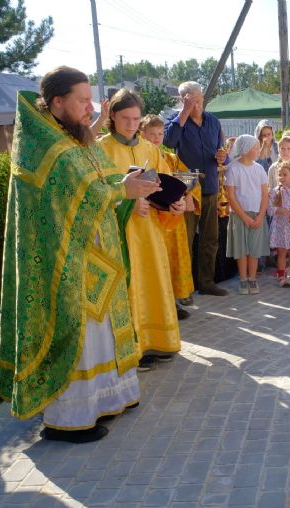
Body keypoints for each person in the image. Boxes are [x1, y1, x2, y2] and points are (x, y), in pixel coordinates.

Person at [0, 66, 160, 443]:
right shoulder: (46, 145)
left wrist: (128, 186)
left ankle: (107, 398)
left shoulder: (74, 138)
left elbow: (96, 185)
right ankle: (68, 420)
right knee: (79, 337)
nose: (91, 108)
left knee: (100, 333)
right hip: (66, 264)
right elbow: (71, 197)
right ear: (57, 102)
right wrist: (123, 192)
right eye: (83, 100)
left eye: (90, 99)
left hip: (97, 254)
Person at [98, 89, 187, 372]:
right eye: (125, 118)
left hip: (150, 230)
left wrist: (175, 202)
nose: (131, 124)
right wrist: (127, 202)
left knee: (152, 280)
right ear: (112, 116)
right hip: (120, 234)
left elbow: (164, 184)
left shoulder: (150, 149)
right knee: (131, 284)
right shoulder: (101, 149)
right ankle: (133, 348)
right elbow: (96, 193)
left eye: (136, 118)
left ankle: (158, 341)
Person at [164, 81, 229, 296]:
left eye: (200, 100)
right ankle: (184, 288)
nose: (197, 105)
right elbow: (169, 141)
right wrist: (184, 112)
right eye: (192, 100)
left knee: (210, 239)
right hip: (187, 192)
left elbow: (221, 151)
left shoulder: (213, 121)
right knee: (186, 240)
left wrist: (223, 156)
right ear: (183, 100)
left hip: (209, 187)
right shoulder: (175, 122)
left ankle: (207, 282)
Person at [140, 114, 197, 314]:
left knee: (172, 261)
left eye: (160, 134)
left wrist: (188, 194)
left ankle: (174, 300)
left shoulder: (170, 158)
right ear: (142, 134)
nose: (157, 138)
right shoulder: (140, 157)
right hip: (150, 219)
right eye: (152, 134)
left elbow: (187, 179)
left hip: (173, 219)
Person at [225, 135, 270, 295]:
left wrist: (260, 216)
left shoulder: (259, 169)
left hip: (257, 214)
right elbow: (231, 196)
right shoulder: (233, 168)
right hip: (239, 216)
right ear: (245, 149)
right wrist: (244, 216)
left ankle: (252, 278)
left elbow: (265, 194)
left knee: (254, 249)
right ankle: (243, 279)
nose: (258, 151)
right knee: (241, 249)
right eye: (256, 148)